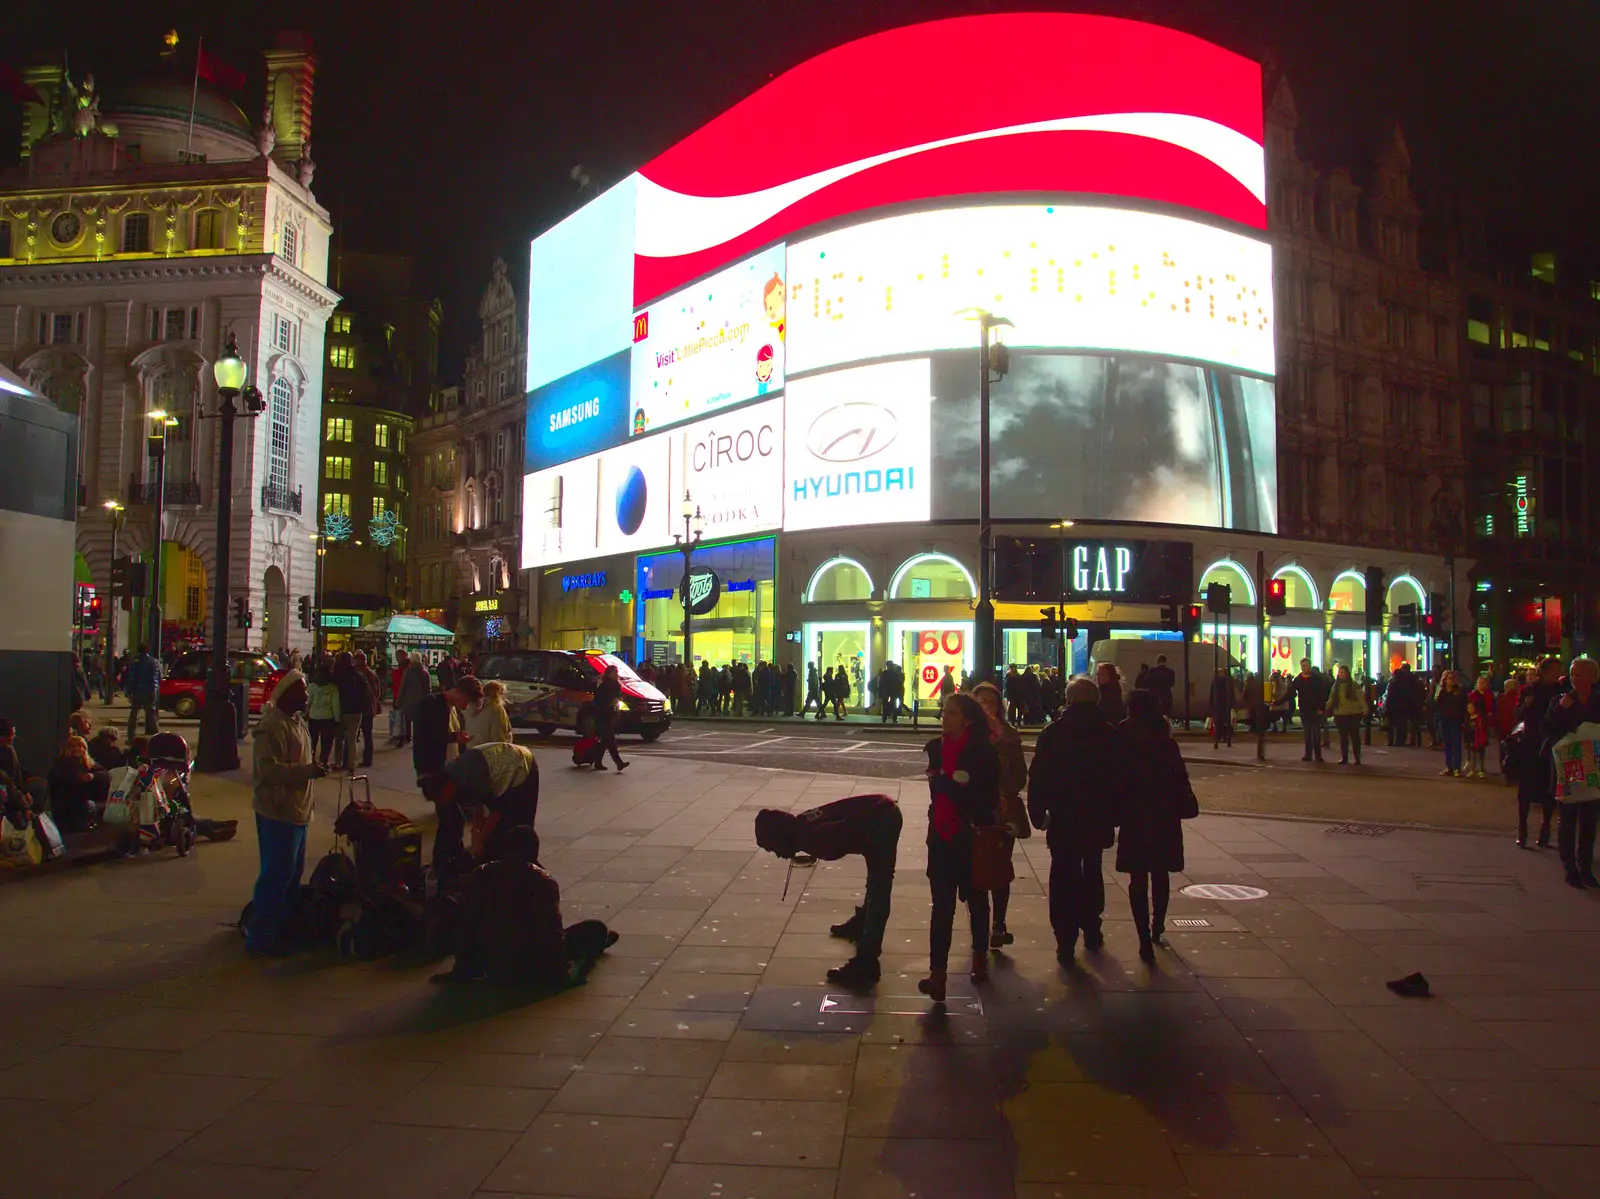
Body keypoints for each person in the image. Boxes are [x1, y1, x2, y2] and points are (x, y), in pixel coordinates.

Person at [756, 793, 902, 989]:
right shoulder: (801, 827)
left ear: (779, 837)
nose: (777, 854)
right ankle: (863, 924)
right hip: (878, 812)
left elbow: (854, 836)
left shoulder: (812, 837)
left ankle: (867, 962)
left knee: (879, 887)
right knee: (877, 882)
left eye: (772, 848)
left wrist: (876, 860)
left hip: (881, 819)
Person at [1029, 676, 1128, 965]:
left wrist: (1038, 812)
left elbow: (1039, 777)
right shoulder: (1109, 733)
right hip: (1097, 815)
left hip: (1064, 816)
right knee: (1092, 868)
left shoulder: (1053, 733)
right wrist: (1116, 813)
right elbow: (1119, 778)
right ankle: (1092, 925)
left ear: (1069, 701)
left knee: (1062, 873)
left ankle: (1065, 938)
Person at [437, 825, 616, 985]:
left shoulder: (480, 874)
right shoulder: (542, 881)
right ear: (534, 852)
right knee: (595, 929)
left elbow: (466, 924)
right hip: (529, 965)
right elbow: (550, 931)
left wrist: (462, 967)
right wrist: (560, 972)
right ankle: (594, 946)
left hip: (488, 961)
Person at [918, 692, 999, 1002]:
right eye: (944, 712)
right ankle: (937, 975)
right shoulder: (937, 748)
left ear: (966, 718)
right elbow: (935, 789)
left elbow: (986, 800)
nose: (944, 717)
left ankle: (980, 959)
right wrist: (942, 786)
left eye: (951, 713)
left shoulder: (982, 752)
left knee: (977, 901)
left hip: (970, 837)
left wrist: (946, 784)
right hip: (941, 836)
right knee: (941, 908)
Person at [247, 671, 327, 955]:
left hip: (298, 810)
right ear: (287, 693)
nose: (307, 696)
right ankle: (261, 936)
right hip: (278, 810)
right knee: (276, 874)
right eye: (302, 691)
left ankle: (282, 928)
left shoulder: (297, 722)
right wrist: (307, 771)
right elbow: (268, 769)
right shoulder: (271, 726)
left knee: (292, 873)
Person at [1117, 689, 1195, 960]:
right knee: (1160, 874)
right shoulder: (1165, 740)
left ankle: (1143, 937)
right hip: (1164, 816)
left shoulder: (1124, 738)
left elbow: (1117, 779)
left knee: (1137, 877)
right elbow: (1179, 777)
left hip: (1135, 815)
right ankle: (1157, 925)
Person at [421, 740, 540, 867]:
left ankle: (525, 867)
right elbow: (478, 807)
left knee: (516, 827)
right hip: (494, 767)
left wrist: (479, 841)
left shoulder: (472, 779)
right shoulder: (451, 780)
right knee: (489, 837)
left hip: (521, 765)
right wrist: (476, 833)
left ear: (446, 788)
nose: (444, 802)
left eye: (442, 798)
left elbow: (495, 813)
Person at [971, 681, 1026, 950]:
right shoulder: (968, 735)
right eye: (980, 702)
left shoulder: (1010, 735)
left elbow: (1021, 774)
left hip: (1003, 810)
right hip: (975, 811)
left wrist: (1008, 791)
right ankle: (980, 926)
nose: (986, 707)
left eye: (990, 702)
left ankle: (999, 923)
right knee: (977, 868)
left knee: (1001, 866)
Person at [1544, 656, 1600, 888]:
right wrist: (1560, 709)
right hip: (1569, 765)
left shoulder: (1597, 701)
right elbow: (1546, 728)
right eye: (1573, 675)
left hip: (1593, 765)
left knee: (1589, 819)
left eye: (1581, 675)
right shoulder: (1561, 700)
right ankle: (1569, 867)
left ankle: (1585, 866)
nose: (1576, 680)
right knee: (1568, 818)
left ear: (1593, 678)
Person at [1511, 657, 1563, 848]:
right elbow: (1517, 714)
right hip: (1531, 744)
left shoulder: (1560, 691)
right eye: (1554, 670)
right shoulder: (1529, 690)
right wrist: (1526, 705)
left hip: (1550, 743)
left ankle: (1545, 829)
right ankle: (1522, 829)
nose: (1557, 674)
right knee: (1525, 789)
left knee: (1549, 789)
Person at [47, 734, 101, 832]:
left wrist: (93, 776)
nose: (77, 749)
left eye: (80, 746)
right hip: (65, 806)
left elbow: (105, 774)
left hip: (81, 804)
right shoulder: (61, 763)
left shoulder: (89, 763)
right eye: (73, 746)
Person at [331, 652, 369, 772]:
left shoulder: (337, 676)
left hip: (341, 710)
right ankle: (351, 765)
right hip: (356, 711)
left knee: (339, 739)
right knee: (352, 740)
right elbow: (365, 692)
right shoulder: (359, 676)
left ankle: (338, 762)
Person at [1326, 664, 1367, 765]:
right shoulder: (1336, 686)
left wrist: (1365, 708)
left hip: (1354, 713)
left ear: (1347, 674)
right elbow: (1331, 699)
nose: (1341, 675)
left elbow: (1361, 697)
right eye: (1340, 673)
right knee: (1343, 737)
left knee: (1355, 737)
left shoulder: (1354, 685)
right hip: (1340, 714)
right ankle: (1344, 758)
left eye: (1343, 673)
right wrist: (1325, 709)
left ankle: (1357, 758)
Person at [1288, 659, 1327, 762]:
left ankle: (1318, 755)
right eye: (1302, 666)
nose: (1303, 668)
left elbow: (1322, 694)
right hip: (1304, 709)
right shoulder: (1298, 679)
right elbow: (1291, 692)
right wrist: (1279, 701)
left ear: (1309, 666)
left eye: (1305, 666)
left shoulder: (1316, 679)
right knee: (1307, 733)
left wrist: (1321, 708)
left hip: (1314, 709)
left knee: (1316, 733)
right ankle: (1308, 754)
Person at [305, 663, 342, 768]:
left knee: (312, 740)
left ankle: (310, 759)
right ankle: (323, 761)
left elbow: (308, 701)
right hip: (328, 718)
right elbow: (336, 704)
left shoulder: (312, 687)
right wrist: (337, 718)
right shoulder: (333, 688)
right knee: (326, 742)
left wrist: (306, 713)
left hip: (314, 717)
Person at [1435, 671, 1468, 777]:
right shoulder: (1441, 691)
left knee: (1456, 744)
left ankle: (1457, 768)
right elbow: (1435, 704)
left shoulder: (1459, 691)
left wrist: (1462, 718)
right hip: (1444, 719)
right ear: (1445, 680)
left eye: (1453, 678)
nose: (1452, 680)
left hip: (1455, 720)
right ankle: (1449, 767)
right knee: (1447, 744)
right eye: (1450, 678)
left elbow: (1463, 704)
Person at [352, 650, 383, 767]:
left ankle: (350, 759)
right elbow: (378, 691)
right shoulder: (371, 673)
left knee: (353, 735)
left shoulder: (356, 674)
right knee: (367, 734)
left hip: (358, 708)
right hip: (370, 707)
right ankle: (368, 759)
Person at [125, 645, 161, 739]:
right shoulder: (154, 662)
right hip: (151, 691)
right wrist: (155, 690)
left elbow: (131, 678)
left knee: (134, 715)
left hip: (138, 691)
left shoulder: (136, 662)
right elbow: (158, 677)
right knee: (151, 715)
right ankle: (157, 737)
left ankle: (131, 736)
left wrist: (129, 692)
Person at [465, 678, 513, 748]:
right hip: (488, 752)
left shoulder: (471, 707)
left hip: (471, 750)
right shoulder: (497, 709)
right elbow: (499, 736)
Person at [397, 651, 432, 744]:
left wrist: (399, 701)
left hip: (408, 700)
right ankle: (417, 738)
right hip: (421, 701)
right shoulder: (425, 672)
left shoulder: (407, 672)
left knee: (407, 720)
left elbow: (403, 687)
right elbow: (428, 689)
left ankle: (407, 737)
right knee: (418, 720)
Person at [1465, 674, 1494, 779]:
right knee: (1472, 746)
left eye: (1483, 683)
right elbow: (1468, 708)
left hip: (1483, 723)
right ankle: (1472, 767)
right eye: (1479, 683)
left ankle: (1481, 768)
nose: (1481, 685)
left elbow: (1492, 708)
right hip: (1473, 723)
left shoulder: (1489, 695)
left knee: (1481, 746)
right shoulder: (1472, 695)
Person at [1208, 668, 1235, 748]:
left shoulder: (1215, 681)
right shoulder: (1228, 681)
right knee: (1226, 721)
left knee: (1218, 722)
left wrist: (1211, 704)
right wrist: (1233, 703)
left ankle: (1218, 737)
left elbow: (1212, 694)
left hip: (1217, 704)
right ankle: (1225, 737)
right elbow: (1231, 694)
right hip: (1225, 704)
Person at [1147, 655, 1176, 719]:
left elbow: (1147, 681)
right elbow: (1172, 683)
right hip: (1166, 696)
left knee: (1154, 715)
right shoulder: (1170, 672)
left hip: (1154, 697)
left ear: (1157, 661)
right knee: (1166, 715)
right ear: (1166, 661)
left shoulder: (1152, 671)